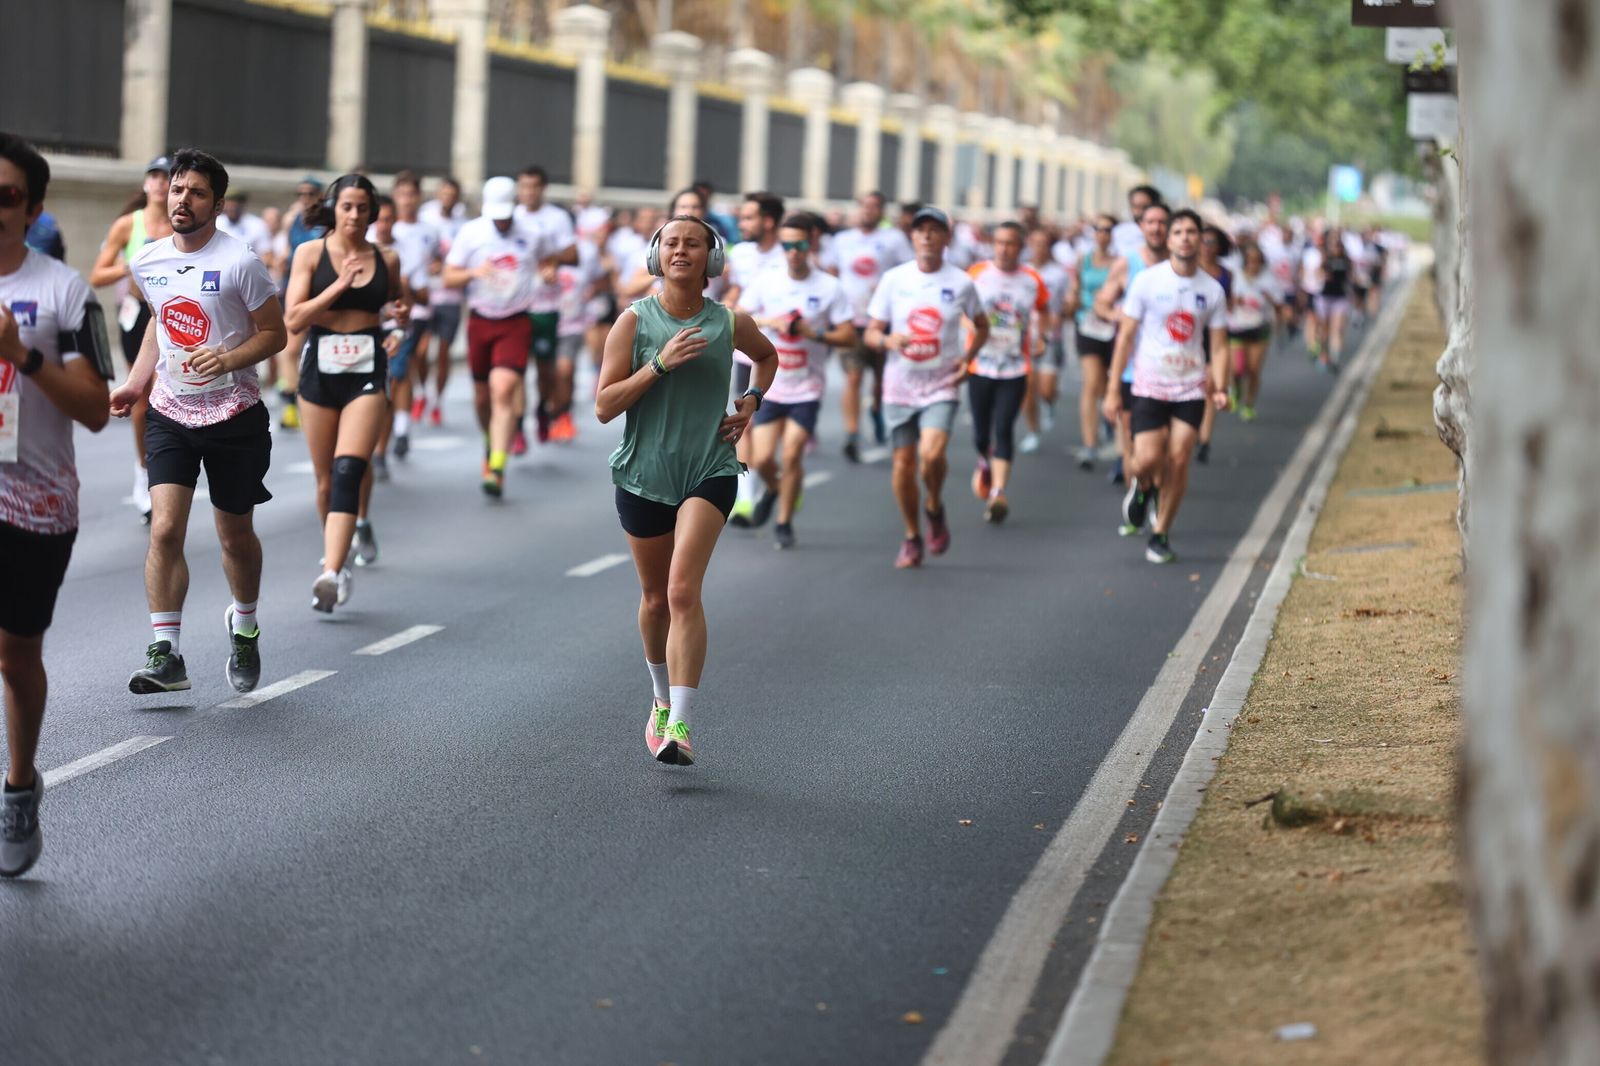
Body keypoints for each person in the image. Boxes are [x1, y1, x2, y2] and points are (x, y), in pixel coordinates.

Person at [594, 215, 777, 766]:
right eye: (671, 243)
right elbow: (604, 406)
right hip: (644, 474)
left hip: (710, 468)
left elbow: (767, 358)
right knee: (653, 600)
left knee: (680, 592)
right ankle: (657, 700)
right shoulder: (632, 323)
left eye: (692, 244)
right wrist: (658, 364)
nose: (680, 251)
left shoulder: (728, 321)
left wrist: (750, 403)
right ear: (657, 256)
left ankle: (680, 723)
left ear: (710, 259)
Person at [110, 147, 286, 693]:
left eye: (197, 192)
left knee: (234, 535)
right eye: (178, 189)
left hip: (234, 413)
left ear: (218, 203)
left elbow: (275, 334)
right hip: (170, 411)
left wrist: (229, 359)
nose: (183, 199)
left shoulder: (240, 261)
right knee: (164, 528)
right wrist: (138, 382)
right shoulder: (149, 258)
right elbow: (157, 326)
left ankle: (246, 625)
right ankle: (167, 654)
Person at [0, 134, 114, 878]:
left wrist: (23, 356)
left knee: (14, 654)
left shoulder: (66, 291)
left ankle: (18, 784)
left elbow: (98, 409)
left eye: (7, 197)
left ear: (33, 209)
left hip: (34, 501)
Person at [284, 175, 406, 608]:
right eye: (347, 207)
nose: (354, 216)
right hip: (321, 365)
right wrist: (338, 285)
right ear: (334, 208)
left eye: (362, 208)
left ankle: (331, 572)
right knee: (323, 481)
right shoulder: (310, 253)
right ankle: (342, 550)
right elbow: (293, 319)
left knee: (347, 470)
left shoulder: (386, 258)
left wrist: (397, 327)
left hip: (368, 366)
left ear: (373, 213)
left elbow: (396, 306)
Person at [864, 206, 990, 568]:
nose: (928, 236)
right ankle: (911, 535)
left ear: (947, 238)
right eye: (921, 230)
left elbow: (981, 326)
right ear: (912, 236)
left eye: (936, 230)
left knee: (931, 456)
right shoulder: (894, 280)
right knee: (903, 465)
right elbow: (871, 332)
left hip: (941, 383)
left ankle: (933, 505)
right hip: (899, 386)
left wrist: (969, 360)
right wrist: (889, 341)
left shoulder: (962, 282)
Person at [1102, 209, 1228, 565]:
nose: (1185, 238)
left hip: (1189, 388)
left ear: (1200, 238)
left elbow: (1218, 345)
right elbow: (1125, 336)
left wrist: (1220, 386)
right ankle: (1143, 488)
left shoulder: (1212, 290)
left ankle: (1161, 535)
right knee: (1146, 460)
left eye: (1192, 232)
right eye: (1178, 232)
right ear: (1169, 239)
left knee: (1179, 457)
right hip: (1148, 385)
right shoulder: (1147, 281)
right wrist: (1113, 389)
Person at [738, 214, 856, 548]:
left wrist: (811, 332)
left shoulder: (829, 287)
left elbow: (849, 336)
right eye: (787, 245)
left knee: (791, 455)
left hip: (807, 386)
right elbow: (740, 316)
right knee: (761, 460)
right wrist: (770, 321)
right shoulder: (768, 280)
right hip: (771, 384)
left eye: (799, 245)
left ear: (812, 243)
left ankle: (784, 521)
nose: (792, 252)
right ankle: (775, 490)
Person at [443, 176, 556, 498]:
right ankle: (490, 441)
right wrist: (472, 273)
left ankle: (497, 466)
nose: (502, 222)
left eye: (506, 216)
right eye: (497, 216)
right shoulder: (471, 232)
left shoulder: (532, 233)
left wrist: (548, 272)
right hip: (480, 319)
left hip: (516, 320)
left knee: (503, 389)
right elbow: (449, 276)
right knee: (482, 398)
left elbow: (549, 260)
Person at [89, 155, 173, 523]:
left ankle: (167, 470)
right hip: (136, 315)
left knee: (164, 396)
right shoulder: (129, 224)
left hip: (172, 314)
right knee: (141, 399)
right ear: (145, 184)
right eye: (153, 176)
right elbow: (97, 275)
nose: (159, 183)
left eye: (166, 177)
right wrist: (132, 264)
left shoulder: (181, 223)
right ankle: (144, 474)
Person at [965, 221, 1049, 523]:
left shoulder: (1031, 280)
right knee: (980, 433)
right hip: (980, 365)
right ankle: (984, 461)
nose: (1004, 248)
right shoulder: (976, 275)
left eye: (1011, 243)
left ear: (1020, 246)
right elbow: (962, 311)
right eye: (999, 242)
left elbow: (1045, 309)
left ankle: (998, 492)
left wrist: (1043, 337)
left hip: (1015, 367)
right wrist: (972, 334)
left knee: (1003, 429)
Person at [819, 190, 912, 462]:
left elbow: (908, 273)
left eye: (875, 207)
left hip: (883, 322)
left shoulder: (893, 239)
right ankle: (853, 434)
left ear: (882, 211)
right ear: (857, 209)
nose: (869, 211)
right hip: (851, 321)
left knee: (882, 382)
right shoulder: (842, 240)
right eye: (865, 206)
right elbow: (832, 275)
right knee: (853, 377)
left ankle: (877, 409)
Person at [1094, 201, 1171, 499]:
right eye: (1150, 222)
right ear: (1141, 227)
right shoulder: (1127, 263)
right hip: (1131, 368)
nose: (1156, 228)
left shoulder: (1182, 267)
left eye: (1162, 223)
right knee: (1132, 442)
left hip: (1171, 370)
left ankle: (1157, 503)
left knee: (1165, 446)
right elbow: (1102, 302)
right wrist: (1119, 316)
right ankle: (1138, 495)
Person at [723, 192, 786, 525]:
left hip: (785, 358)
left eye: (748, 218)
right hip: (749, 354)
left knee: (778, 444)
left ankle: (780, 486)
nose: (741, 224)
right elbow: (734, 292)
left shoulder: (788, 253)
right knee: (743, 423)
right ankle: (745, 498)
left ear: (768, 222)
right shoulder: (742, 253)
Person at [513, 165, 578, 446]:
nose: (529, 192)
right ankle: (515, 426)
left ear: (543, 188)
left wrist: (552, 261)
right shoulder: (509, 216)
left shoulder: (557, 218)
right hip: (514, 306)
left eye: (534, 186)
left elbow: (573, 254)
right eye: (524, 186)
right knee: (513, 369)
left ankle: (541, 408)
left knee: (544, 370)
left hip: (545, 307)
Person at [384, 173, 440, 461]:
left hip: (408, 317)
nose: (406, 200)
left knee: (399, 371)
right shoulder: (365, 238)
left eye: (411, 194)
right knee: (385, 377)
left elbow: (423, 288)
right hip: (371, 321)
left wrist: (404, 287)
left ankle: (402, 429)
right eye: (401, 193)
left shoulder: (421, 237)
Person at [1066, 213, 1118, 469]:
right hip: (1087, 324)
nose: (1103, 234)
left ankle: (1109, 419)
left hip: (1113, 326)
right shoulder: (1083, 261)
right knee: (1091, 382)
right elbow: (1074, 289)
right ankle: (1089, 445)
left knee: (1108, 384)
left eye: (1108, 229)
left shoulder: (1121, 262)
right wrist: (1072, 300)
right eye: (1098, 229)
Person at [416, 176, 468, 426]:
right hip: (425, 294)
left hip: (451, 296)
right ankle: (422, 392)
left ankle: (437, 401)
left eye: (452, 194)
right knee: (421, 349)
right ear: (438, 194)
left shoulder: (464, 224)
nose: (448, 197)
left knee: (444, 351)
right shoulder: (425, 217)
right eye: (444, 193)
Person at [1021, 225, 1069, 445]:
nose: (1039, 248)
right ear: (1029, 243)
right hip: (1024, 338)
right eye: (1035, 243)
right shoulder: (1022, 271)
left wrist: (1061, 315)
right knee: (1027, 388)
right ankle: (1033, 431)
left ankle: (1049, 403)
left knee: (1046, 389)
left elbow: (1068, 304)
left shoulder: (1059, 274)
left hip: (1051, 338)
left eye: (1044, 244)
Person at [1194, 224, 1234, 465]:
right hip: (1189, 336)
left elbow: (1228, 306)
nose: (1207, 247)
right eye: (1204, 241)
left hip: (1214, 336)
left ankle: (1205, 440)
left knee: (1210, 389)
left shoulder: (1226, 274)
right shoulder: (1187, 270)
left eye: (1212, 242)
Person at [1227, 239, 1278, 421]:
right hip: (1237, 326)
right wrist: (1235, 301)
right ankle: (1236, 388)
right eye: (1250, 260)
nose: (1254, 264)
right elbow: (1226, 301)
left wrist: (1270, 299)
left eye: (1257, 260)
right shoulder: (1235, 276)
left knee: (1254, 369)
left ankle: (1248, 405)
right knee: (1237, 368)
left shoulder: (1269, 278)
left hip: (1260, 328)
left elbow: (1279, 304)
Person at [1303, 226, 1352, 372]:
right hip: (1324, 297)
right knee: (1324, 329)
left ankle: (1334, 358)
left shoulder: (1346, 260)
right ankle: (1323, 354)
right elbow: (1316, 274)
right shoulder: (1324, 258)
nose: (1337, 248)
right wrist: (1322, 274)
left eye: (1339, 245)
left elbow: (1351, 278)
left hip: (1340, 298)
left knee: (1337, 329)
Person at [1111, 185, 1162, 260]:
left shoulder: (1164, 232)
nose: (1140, 212)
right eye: (1136, 207)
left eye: (1145, 207)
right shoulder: (1118, 232)